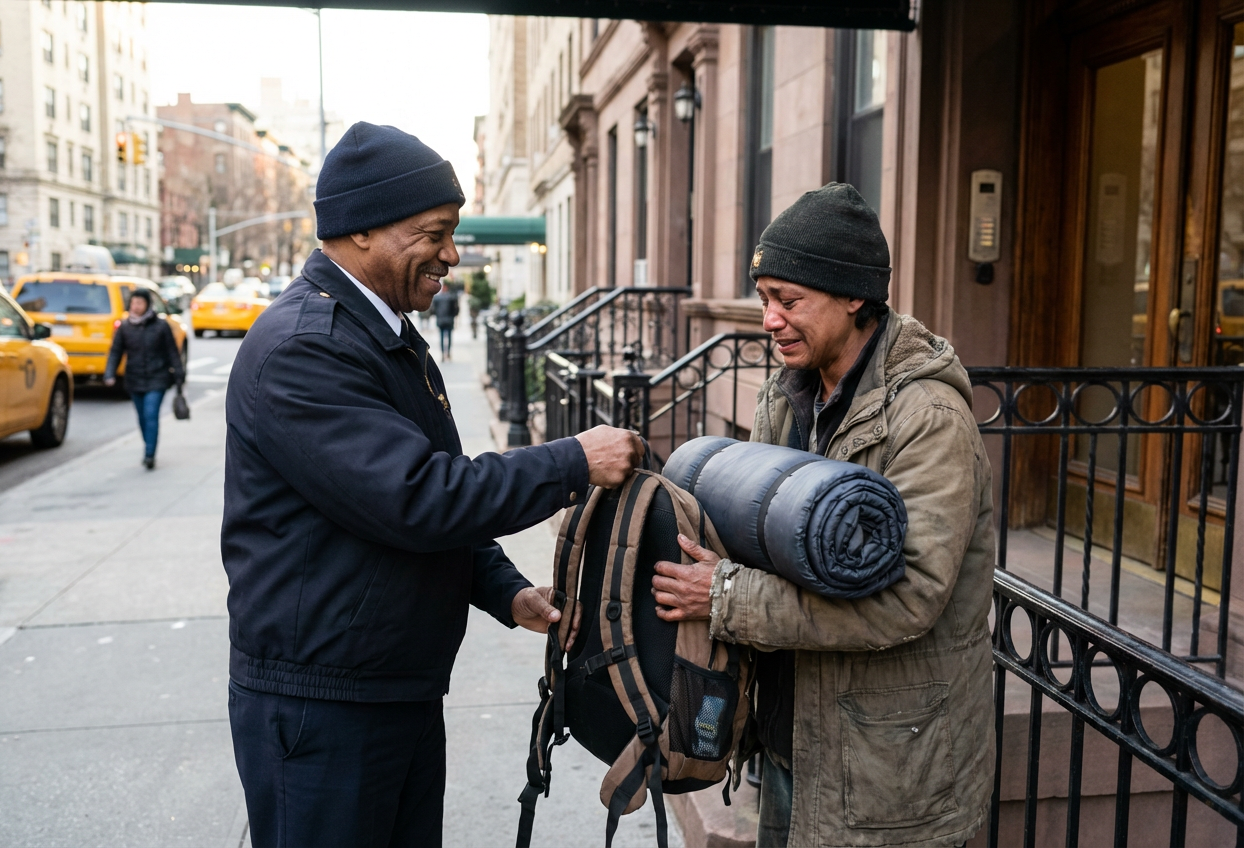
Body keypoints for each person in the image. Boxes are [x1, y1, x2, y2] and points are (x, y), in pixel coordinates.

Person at [220, 122, 643, 848]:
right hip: (325, 710)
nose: (452, 254)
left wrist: (507, 590)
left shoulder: (380, 335)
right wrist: (573, 460)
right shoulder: (305, 352)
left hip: (390, 690)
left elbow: (423, 508)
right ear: (359, 232)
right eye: (436, 232)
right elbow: (419, 497)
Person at [650, 183, 996, 848]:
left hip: (883, 772)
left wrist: (722, 595)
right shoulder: (787, 395)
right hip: (788, 745)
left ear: (853, 297)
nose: (769, 320)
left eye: (788, 300)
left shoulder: (928, 419)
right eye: (764, 300)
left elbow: (906, 598)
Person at [104, 288, 185, 470]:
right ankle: (148, 445)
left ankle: (149, 454)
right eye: (133, 303)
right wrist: (109, 373)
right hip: (134, 379)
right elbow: (116, 352)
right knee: (141, 417)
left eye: (139, 303)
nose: (136, 306)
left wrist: (179, 376)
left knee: (151, 414)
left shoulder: (161, 326)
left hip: (158, 378)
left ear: (147, 304)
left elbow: (173, 353)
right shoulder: (125, 327)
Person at [430, 279, 459, 361]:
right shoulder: (451, 297)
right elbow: (456, 309)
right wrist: (454, 315)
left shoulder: (437, 298)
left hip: (441, 320)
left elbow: (433, 309)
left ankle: (443, 353)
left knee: (442, 337)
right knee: (449, 337)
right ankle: (448, 353)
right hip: (449, 320)